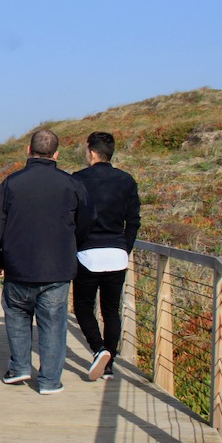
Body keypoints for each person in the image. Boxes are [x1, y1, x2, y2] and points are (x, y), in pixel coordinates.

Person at [0, 129, 91, 394]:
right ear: (56, 154)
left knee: (17, 316)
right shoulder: (72, 185)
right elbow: (85, 224)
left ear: (28, 150)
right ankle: (49, 381)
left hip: (18, 266)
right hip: (57, 268)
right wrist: (69, 245)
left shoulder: (11, 183)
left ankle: (20, 367)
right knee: (53, 324)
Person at [72, 131, 141, 381]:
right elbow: (133, 221)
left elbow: (71, 219)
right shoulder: (126, 180)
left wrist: (74, 246)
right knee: (111, 310)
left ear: (90, 151)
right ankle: (109, 364)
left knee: (82, 307)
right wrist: (125, 247)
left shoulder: (78, 180)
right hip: (116, 254)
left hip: (87, 254)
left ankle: (99, 348)